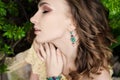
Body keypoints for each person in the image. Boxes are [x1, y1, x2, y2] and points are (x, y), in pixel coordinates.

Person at [26, 0, 114, 80]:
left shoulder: (98, 76)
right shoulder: (42, 47)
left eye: (45, 11)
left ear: (73, 22)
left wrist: (53, 77)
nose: (32, 19)